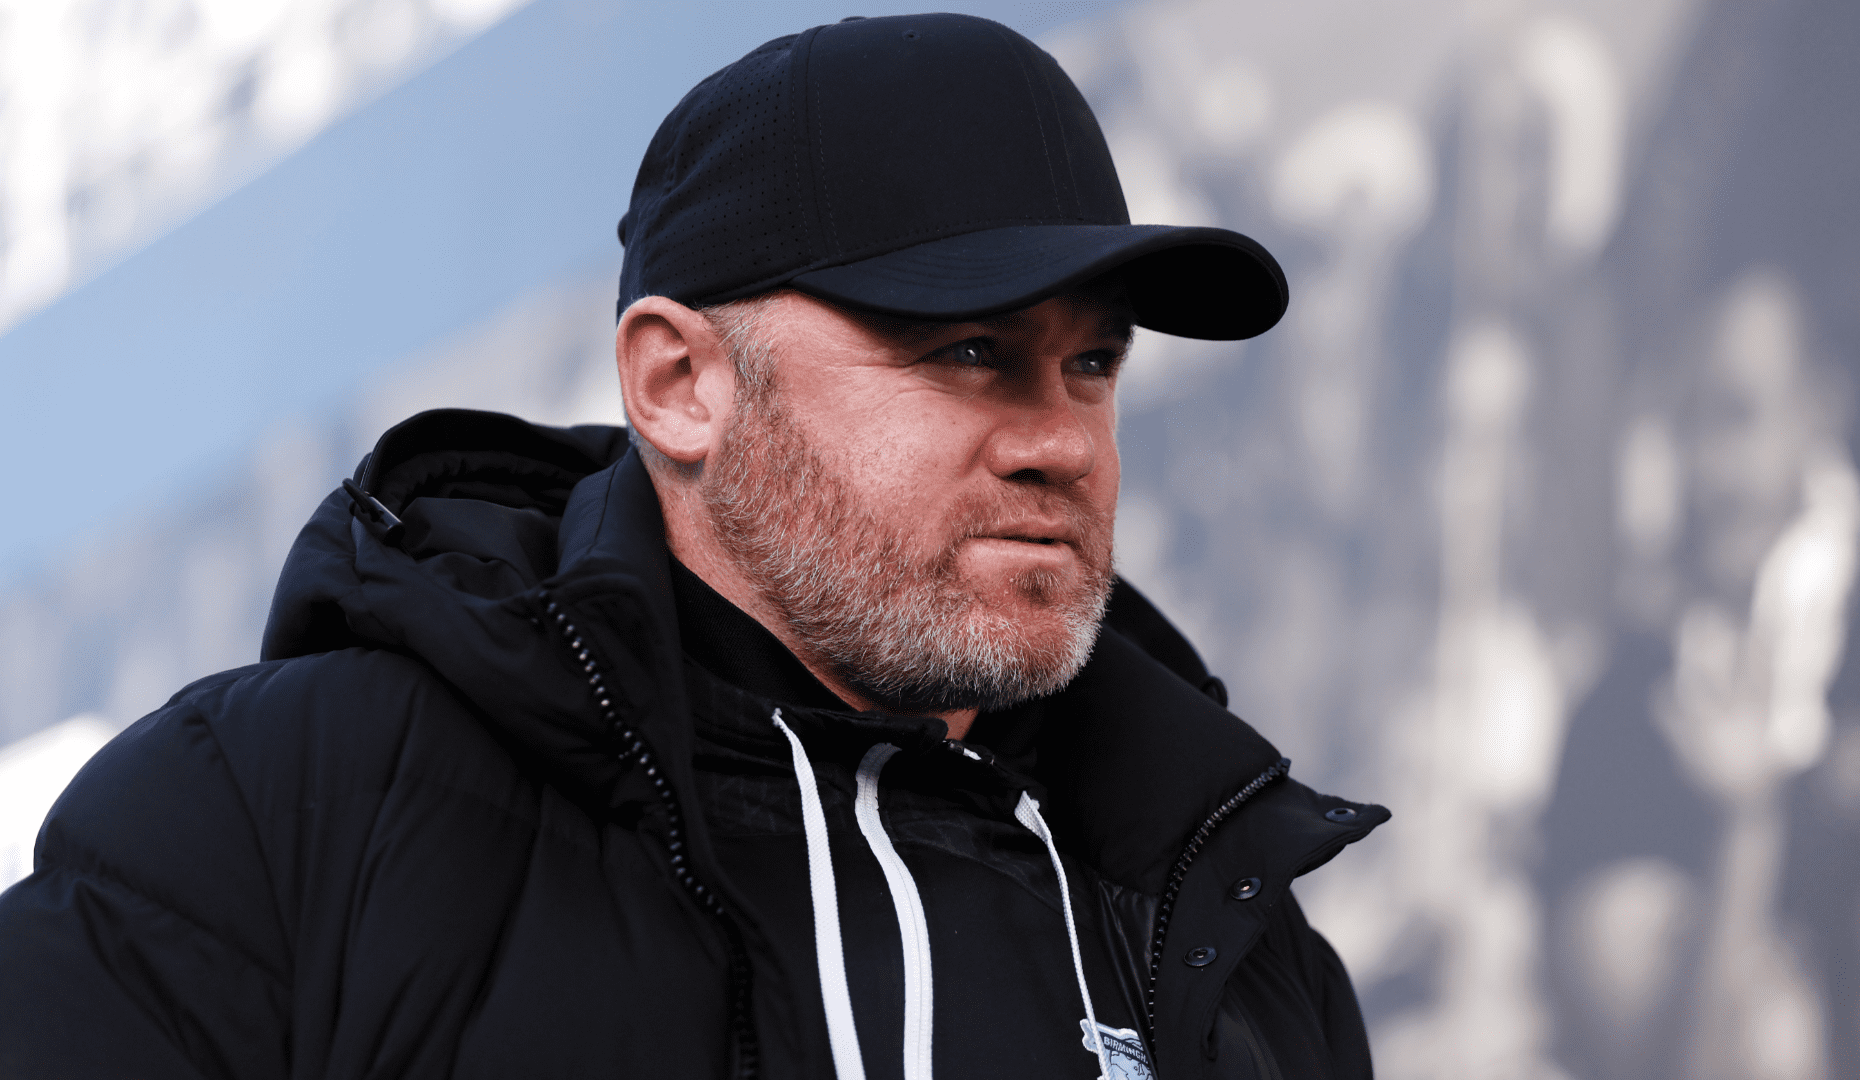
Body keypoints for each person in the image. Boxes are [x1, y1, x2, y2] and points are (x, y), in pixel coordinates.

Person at [0, 13, 1386, 1080]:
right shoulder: (274, 816)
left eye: (1092, 365)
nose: (1061, 443)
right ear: (679, 385)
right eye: (969, 350)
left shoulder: (1232, 932)